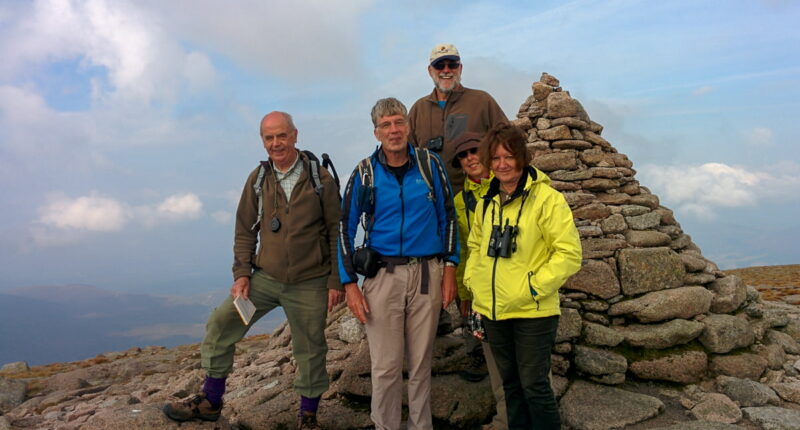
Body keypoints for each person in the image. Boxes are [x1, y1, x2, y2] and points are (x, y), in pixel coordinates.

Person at [163, 112, 344, 430]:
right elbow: (245, 229)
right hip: (266, 278)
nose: (276, 143)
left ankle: (309, 416)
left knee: (311, 347)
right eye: (269, 138)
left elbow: (335, 231)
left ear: (295, 135)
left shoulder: (320, 179)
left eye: (282, 136)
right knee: (221, 323)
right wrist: (242, 274)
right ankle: (211, 401)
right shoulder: (258, 180)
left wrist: (335, 281)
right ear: (263, 141)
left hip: (311, 281)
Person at [338, 97, 459, 430]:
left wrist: (450, 267)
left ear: (409, 126)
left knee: (421, 365)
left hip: (426, 273)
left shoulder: (430, 165)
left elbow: (448, 216)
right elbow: (345, 227)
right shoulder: (364, 173)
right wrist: (349, 284)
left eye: (399, 122)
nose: (394, 130)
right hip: (383, 276)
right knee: (386, 367)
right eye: (386, 125)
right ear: (376, 132)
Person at [464, 123, 582, 430]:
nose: (502, 164)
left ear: (522, 158)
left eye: (509, 157)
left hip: (533, 311)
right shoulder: (486, 203)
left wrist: (532, 288)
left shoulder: (547, 199)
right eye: (496, 158)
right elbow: (476, 248)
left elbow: (568, 254)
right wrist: (476, 289)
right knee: (511, 388)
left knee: (535, 387)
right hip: (494, 310)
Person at [449, 132, 507, 430]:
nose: (470, 157)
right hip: (482, 290)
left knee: (525, 362)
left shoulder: (507, 185)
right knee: (495, 360)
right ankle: (504, 420)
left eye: (474, 151)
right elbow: (462, 248)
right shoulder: (461, 200)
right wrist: (464, 293)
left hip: (513, 285)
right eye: (463, 155)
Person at [408, 43, 508, 195]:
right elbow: (406, 155)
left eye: (452, 65)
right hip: (431, 202)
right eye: (439, 65)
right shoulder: (418, 109)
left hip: (479, 200)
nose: (446, 70)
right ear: (430, 71)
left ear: (460, 68)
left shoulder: (482, 101)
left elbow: (508, 142)